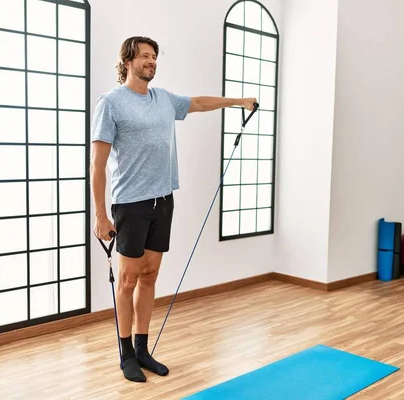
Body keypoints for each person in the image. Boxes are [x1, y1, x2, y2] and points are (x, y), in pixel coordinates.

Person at [90, 36, 257, 383]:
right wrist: (100, 215)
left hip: (163, 200)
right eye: (146, 56)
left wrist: (238, 101)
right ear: (128, 62)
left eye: (154, 57)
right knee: (127, 279)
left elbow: (197, 102)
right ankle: (125, 355)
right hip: (130, 204)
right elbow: (97, 164)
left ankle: (142, 348)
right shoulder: (111, 103)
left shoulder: (162, 99)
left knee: (150, 275)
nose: (152, 61)